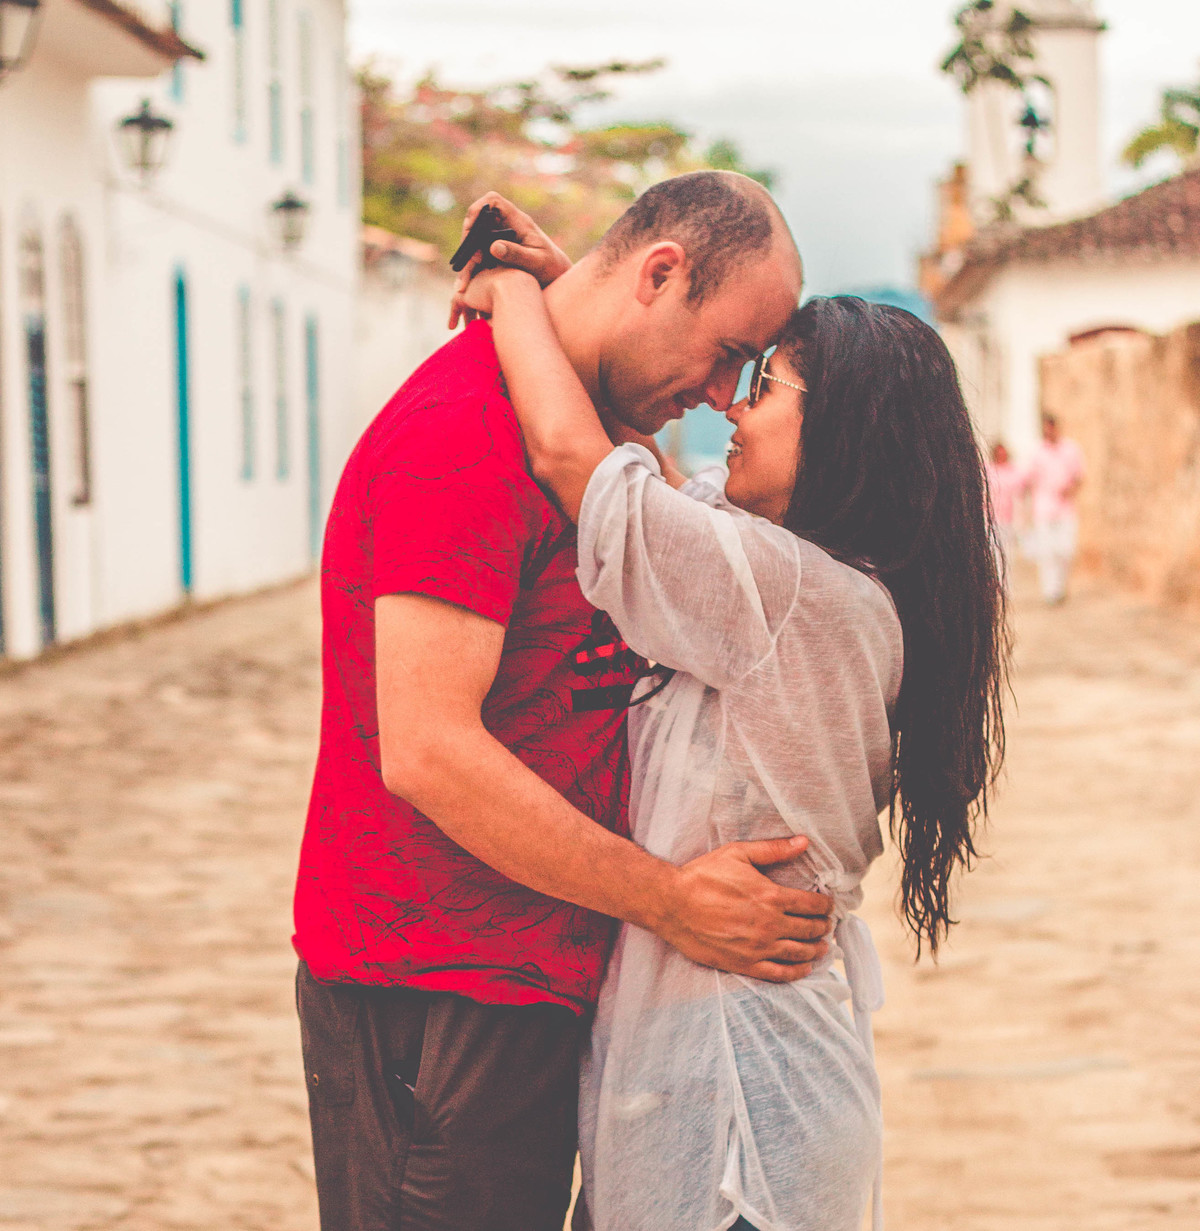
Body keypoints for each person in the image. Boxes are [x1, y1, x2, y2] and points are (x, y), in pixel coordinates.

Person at [291, 173, 837, 1231]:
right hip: (436, 989)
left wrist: (529, 292)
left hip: (532, 975)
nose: (725, 394)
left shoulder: (583, 427)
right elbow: (429, 749)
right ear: (661, 273)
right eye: (725, 351)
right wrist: (673, 900)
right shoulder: (463, 433)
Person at [453, 261, 1009, 1231]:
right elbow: (668, 491)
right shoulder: (821, 581)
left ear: (843, 429)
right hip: (728, 1076)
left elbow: (584, 469)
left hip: (738, 1113)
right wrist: (587, 290)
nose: (731, 415)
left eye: (762, 389)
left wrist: (513, 298)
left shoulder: (792, 592)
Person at [1025, 413, 1085, 605]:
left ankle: (1060, 585)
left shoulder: (1071, 449)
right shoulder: (1036, 451)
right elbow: (1028, 479)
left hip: (1065, 508)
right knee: (1047, 552)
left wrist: (1071, 489)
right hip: (1043, 508)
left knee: (1066, 550)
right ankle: (1051, 592)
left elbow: (1079, 475)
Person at [985, 439, 1024, 585]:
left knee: (1006, 555)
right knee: (993, 554)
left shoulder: (1013, 471)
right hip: (991, 519)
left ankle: (1004, 585)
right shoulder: (988, 470)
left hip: (1008, 519)